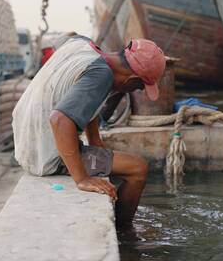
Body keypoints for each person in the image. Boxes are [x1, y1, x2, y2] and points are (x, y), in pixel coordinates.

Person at [12, 36, 166, 226]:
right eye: (139, 86)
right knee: (138, 169)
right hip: (45, 155)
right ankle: (124, 232)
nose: (138, 91)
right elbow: (59, 120)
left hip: (27, 141)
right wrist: (82, 179)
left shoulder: (82, 45)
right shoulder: (102, 75)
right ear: (132, 79)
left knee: (122, 162)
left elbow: (85, 103)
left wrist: (96, 144)